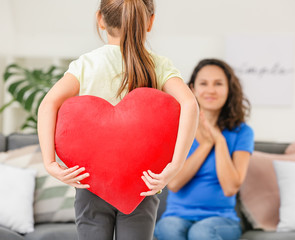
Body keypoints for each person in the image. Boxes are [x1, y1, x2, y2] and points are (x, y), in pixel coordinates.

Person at [37, 1, 199, 240]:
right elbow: (190, 104)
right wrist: (175, 166)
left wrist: (50, 162)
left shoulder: (86, 65)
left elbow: (48, 104)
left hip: (90, 183)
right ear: (150, 22)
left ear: (100, 20)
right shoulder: (158, 65)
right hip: (142, 185)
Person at [154, 58, 254, 240]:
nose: (211, 90)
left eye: (218, 84)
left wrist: (219, 141)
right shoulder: (178, 129)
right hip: (176, 216)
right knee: (167, 229)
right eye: (203, 83)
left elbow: (231, 187)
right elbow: (174, 184)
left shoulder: (242, 132)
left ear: (229, 89)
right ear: (192, 89)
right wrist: (207, 145)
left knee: (201, 232)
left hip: (221, 219)